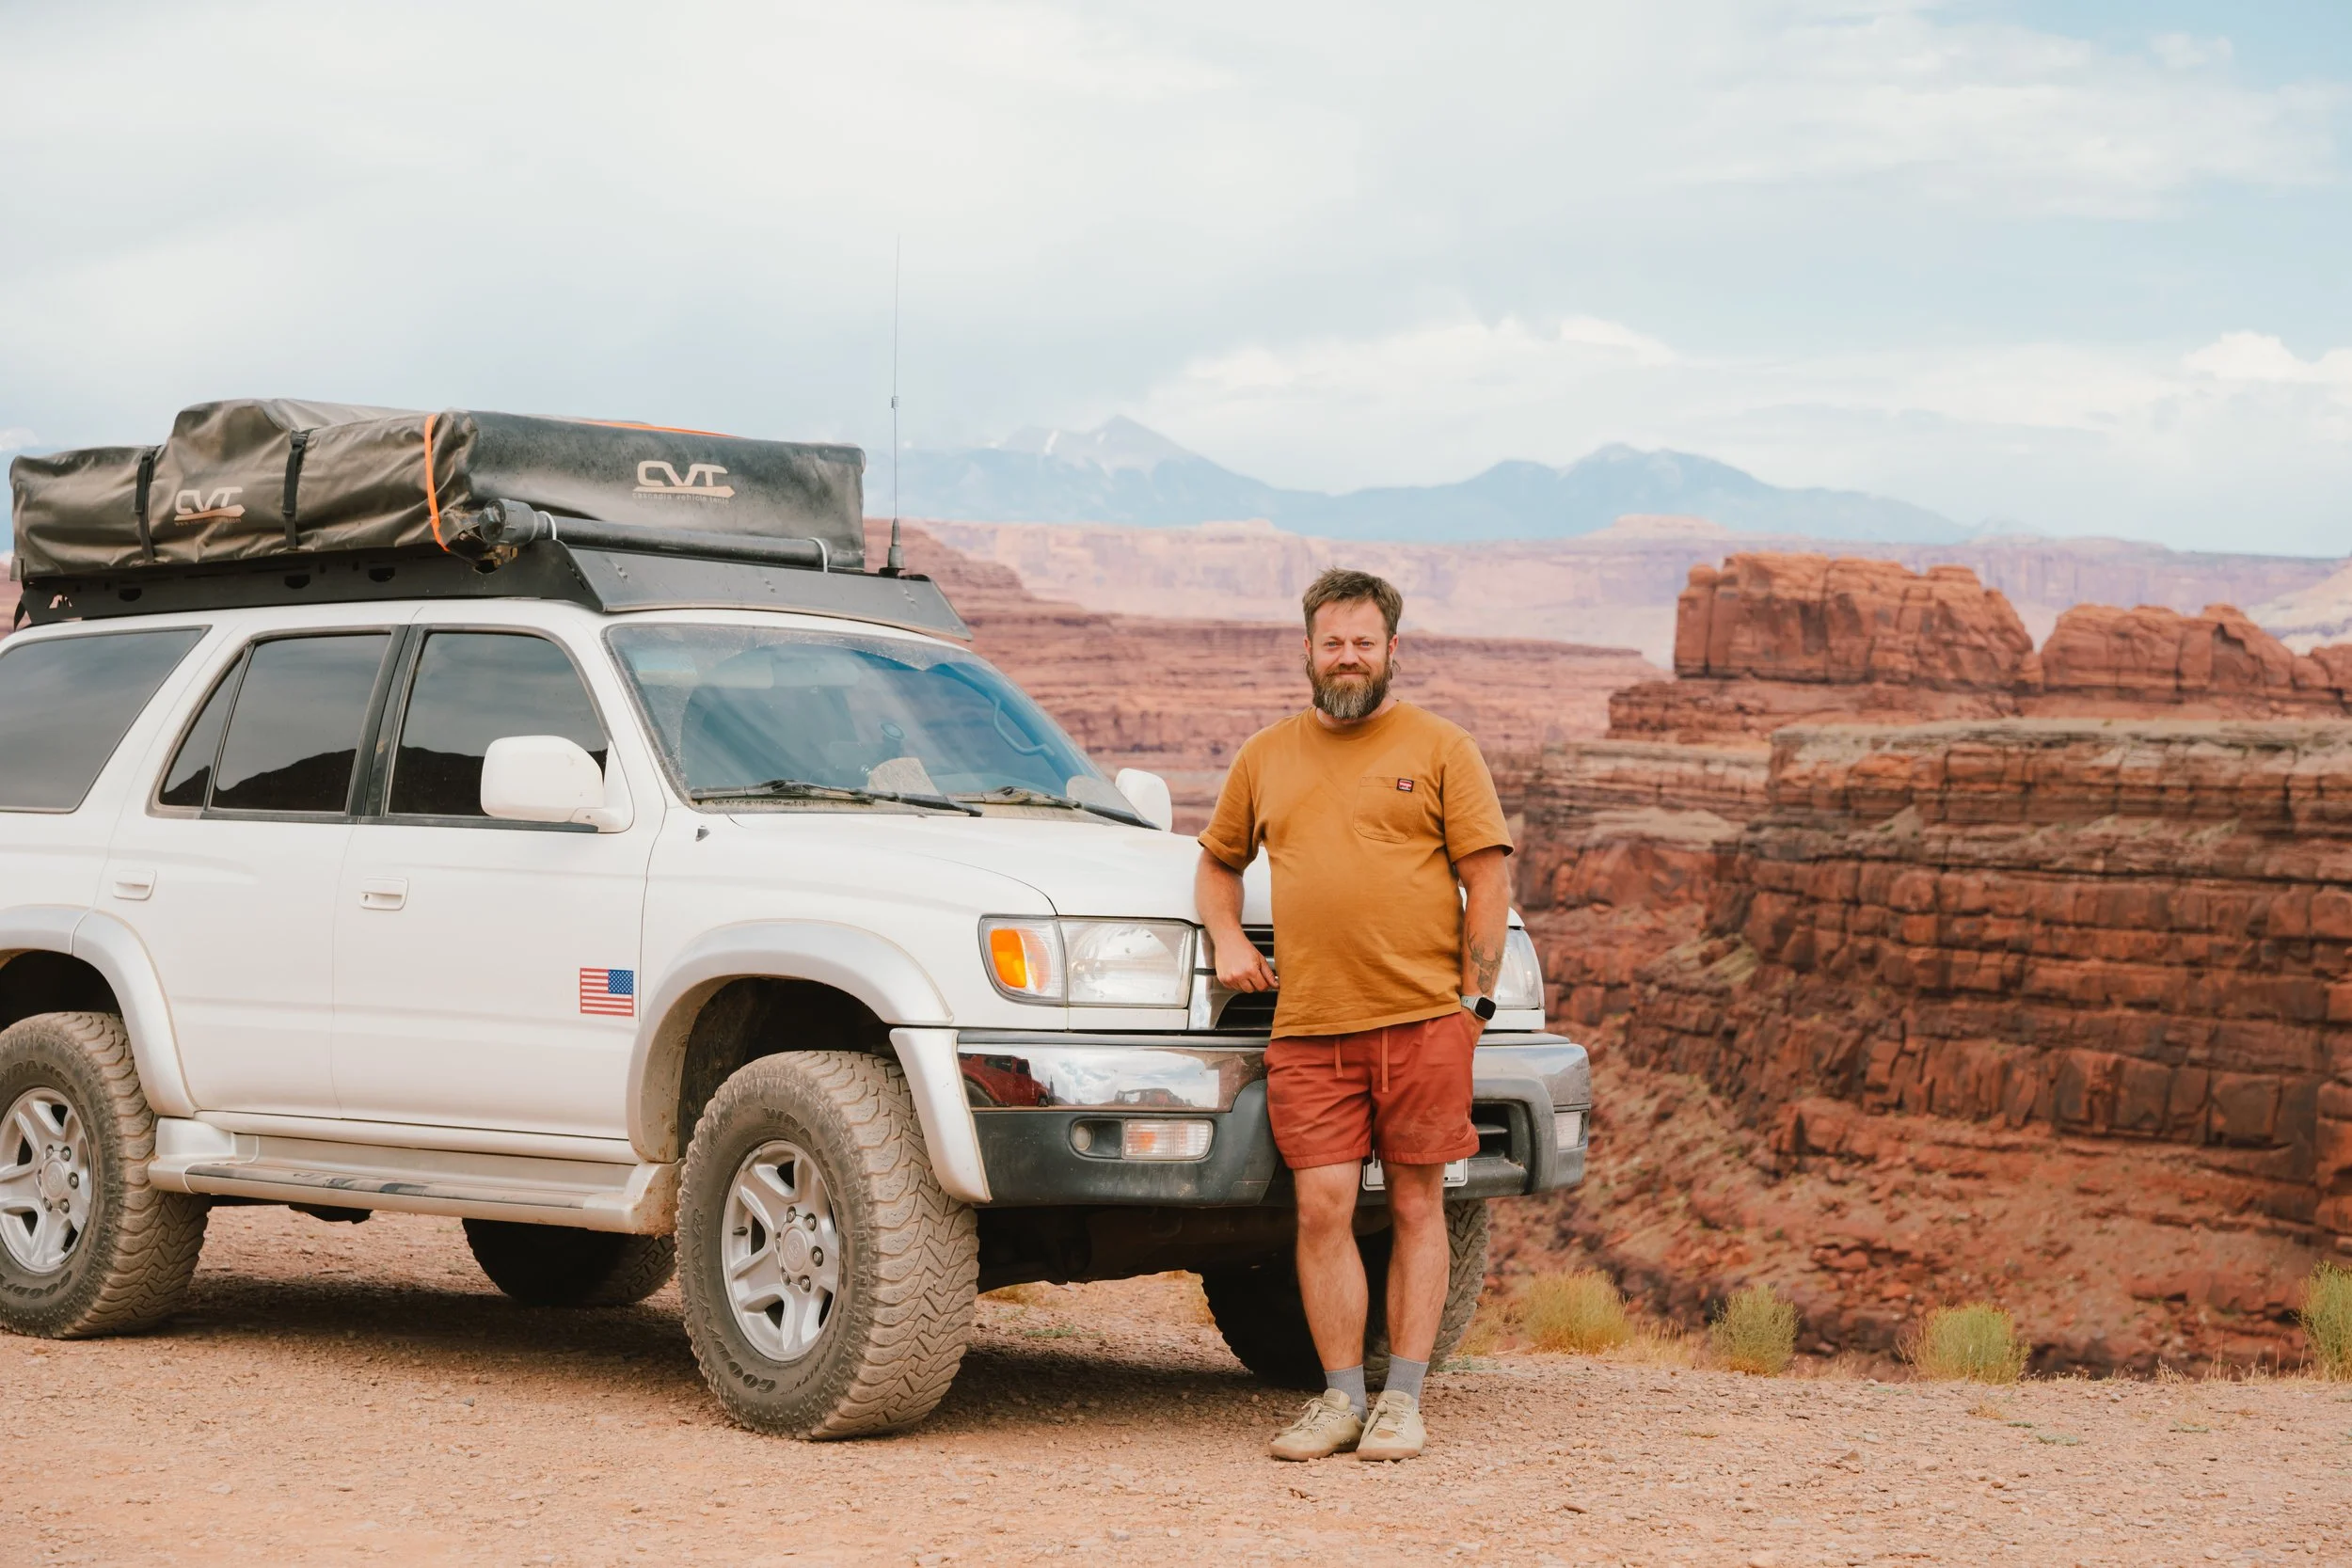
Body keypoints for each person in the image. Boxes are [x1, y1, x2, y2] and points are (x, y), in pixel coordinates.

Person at [1195, 567, 1513, 1463]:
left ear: (1390, 651)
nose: (1347, 657)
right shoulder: (1267, 755)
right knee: (1322, 1207)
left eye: (1363, 642)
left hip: (1422, 1021)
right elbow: (1217, 862)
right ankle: (1340, 1398)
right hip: (1310, 1026)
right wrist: (1225, 936)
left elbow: (1487, 878)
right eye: (1331, 642)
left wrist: (1474, 1007)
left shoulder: (1443, 746)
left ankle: (1402, 1402)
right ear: (1306, 649)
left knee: (1417, 1202)